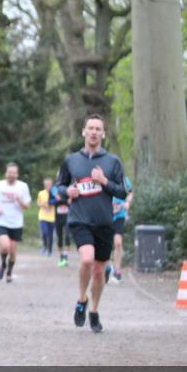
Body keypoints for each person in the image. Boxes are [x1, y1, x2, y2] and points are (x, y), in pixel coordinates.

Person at [53, 114, 128, 333]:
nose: (94, 132)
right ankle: (81, 299)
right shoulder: (71, 160)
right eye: (90, 128)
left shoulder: (112, 162)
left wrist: (104, 181)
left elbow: (123, 191)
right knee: (87, 260)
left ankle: (94, 310)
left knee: (98, 270)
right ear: (83, 132)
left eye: (98, 129)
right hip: (79, 220)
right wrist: (68, 191)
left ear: (103, 134)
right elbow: (58, 187)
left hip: (104, 222)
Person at [0, 162, 32, 283]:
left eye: (14, 173)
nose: (11, 175)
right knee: (5, 246)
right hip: (2, 221)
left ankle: (9, 272)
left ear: (17, 174)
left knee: (13, 252)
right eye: (9, 173)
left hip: (17, 223)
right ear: (6, 173)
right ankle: (3, 264)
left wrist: (20, 201)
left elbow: (27, 206)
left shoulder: (23, 186)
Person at [106, 176, 134, 284]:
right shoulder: (104, 176)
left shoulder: (123, 179)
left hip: (119, 216)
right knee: (106, 245)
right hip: (106, 215)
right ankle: (106, 268)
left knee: (118, 243)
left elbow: (130, 192)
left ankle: (117, 271)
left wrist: (127, 203)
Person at [51, 175, 71, 266]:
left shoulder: (70, 187)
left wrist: (63, 200)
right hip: (57, 216)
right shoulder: (54, 189)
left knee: (67, 235)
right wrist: (63, 200)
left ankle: (66, 257)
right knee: (59, 237)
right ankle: (61, 257)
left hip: (68, 216)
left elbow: (72, 200)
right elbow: (50, 201)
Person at [37, 177, 56, 257]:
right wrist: (43, 205)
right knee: (45, 232)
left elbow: (57, 201)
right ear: (45, 185)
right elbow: (38, 203)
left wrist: (51, 202)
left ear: (52, 185)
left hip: (52, 217)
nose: (48, 186)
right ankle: (44, 246)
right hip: (43, 216)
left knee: (51, 235)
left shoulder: (54, 192)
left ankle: (50, 250)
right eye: (47, 185)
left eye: (50, 184)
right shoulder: (41, 193)